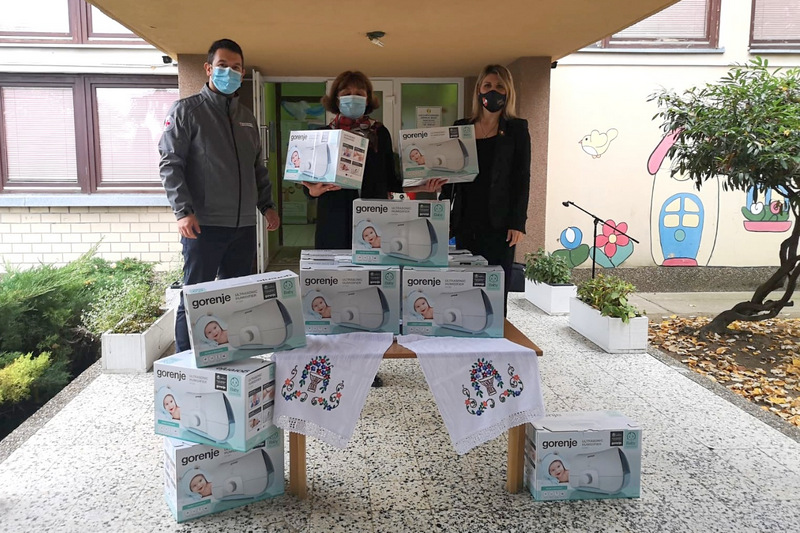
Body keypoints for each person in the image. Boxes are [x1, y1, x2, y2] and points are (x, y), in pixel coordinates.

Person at [159, 38, 281, 353]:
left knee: (237, 297)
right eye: (223, 65)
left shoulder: (247, 118)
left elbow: (257, 167)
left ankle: (231, 355)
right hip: (204, 225)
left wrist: (267, 206)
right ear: (208, 68)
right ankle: (186, 362)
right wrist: (183, 211)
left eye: (236, 67)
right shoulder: (187, 111)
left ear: (243, 73)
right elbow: (170, 164)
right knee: (196, 296)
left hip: (243, 227)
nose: (230, 72)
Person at [440, 65, 531, 313]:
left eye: (500, 86)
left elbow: (522, 177)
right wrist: (441, 200)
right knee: (465, 284)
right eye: (488, 85)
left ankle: (496, 328)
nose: (493, 91)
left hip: (500, 224)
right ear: (479, 90)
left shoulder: (517, 129)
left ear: (508, 91)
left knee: (495, 286)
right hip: (466, 219)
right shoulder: (461, 127)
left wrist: (518, 222)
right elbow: (451, 173)